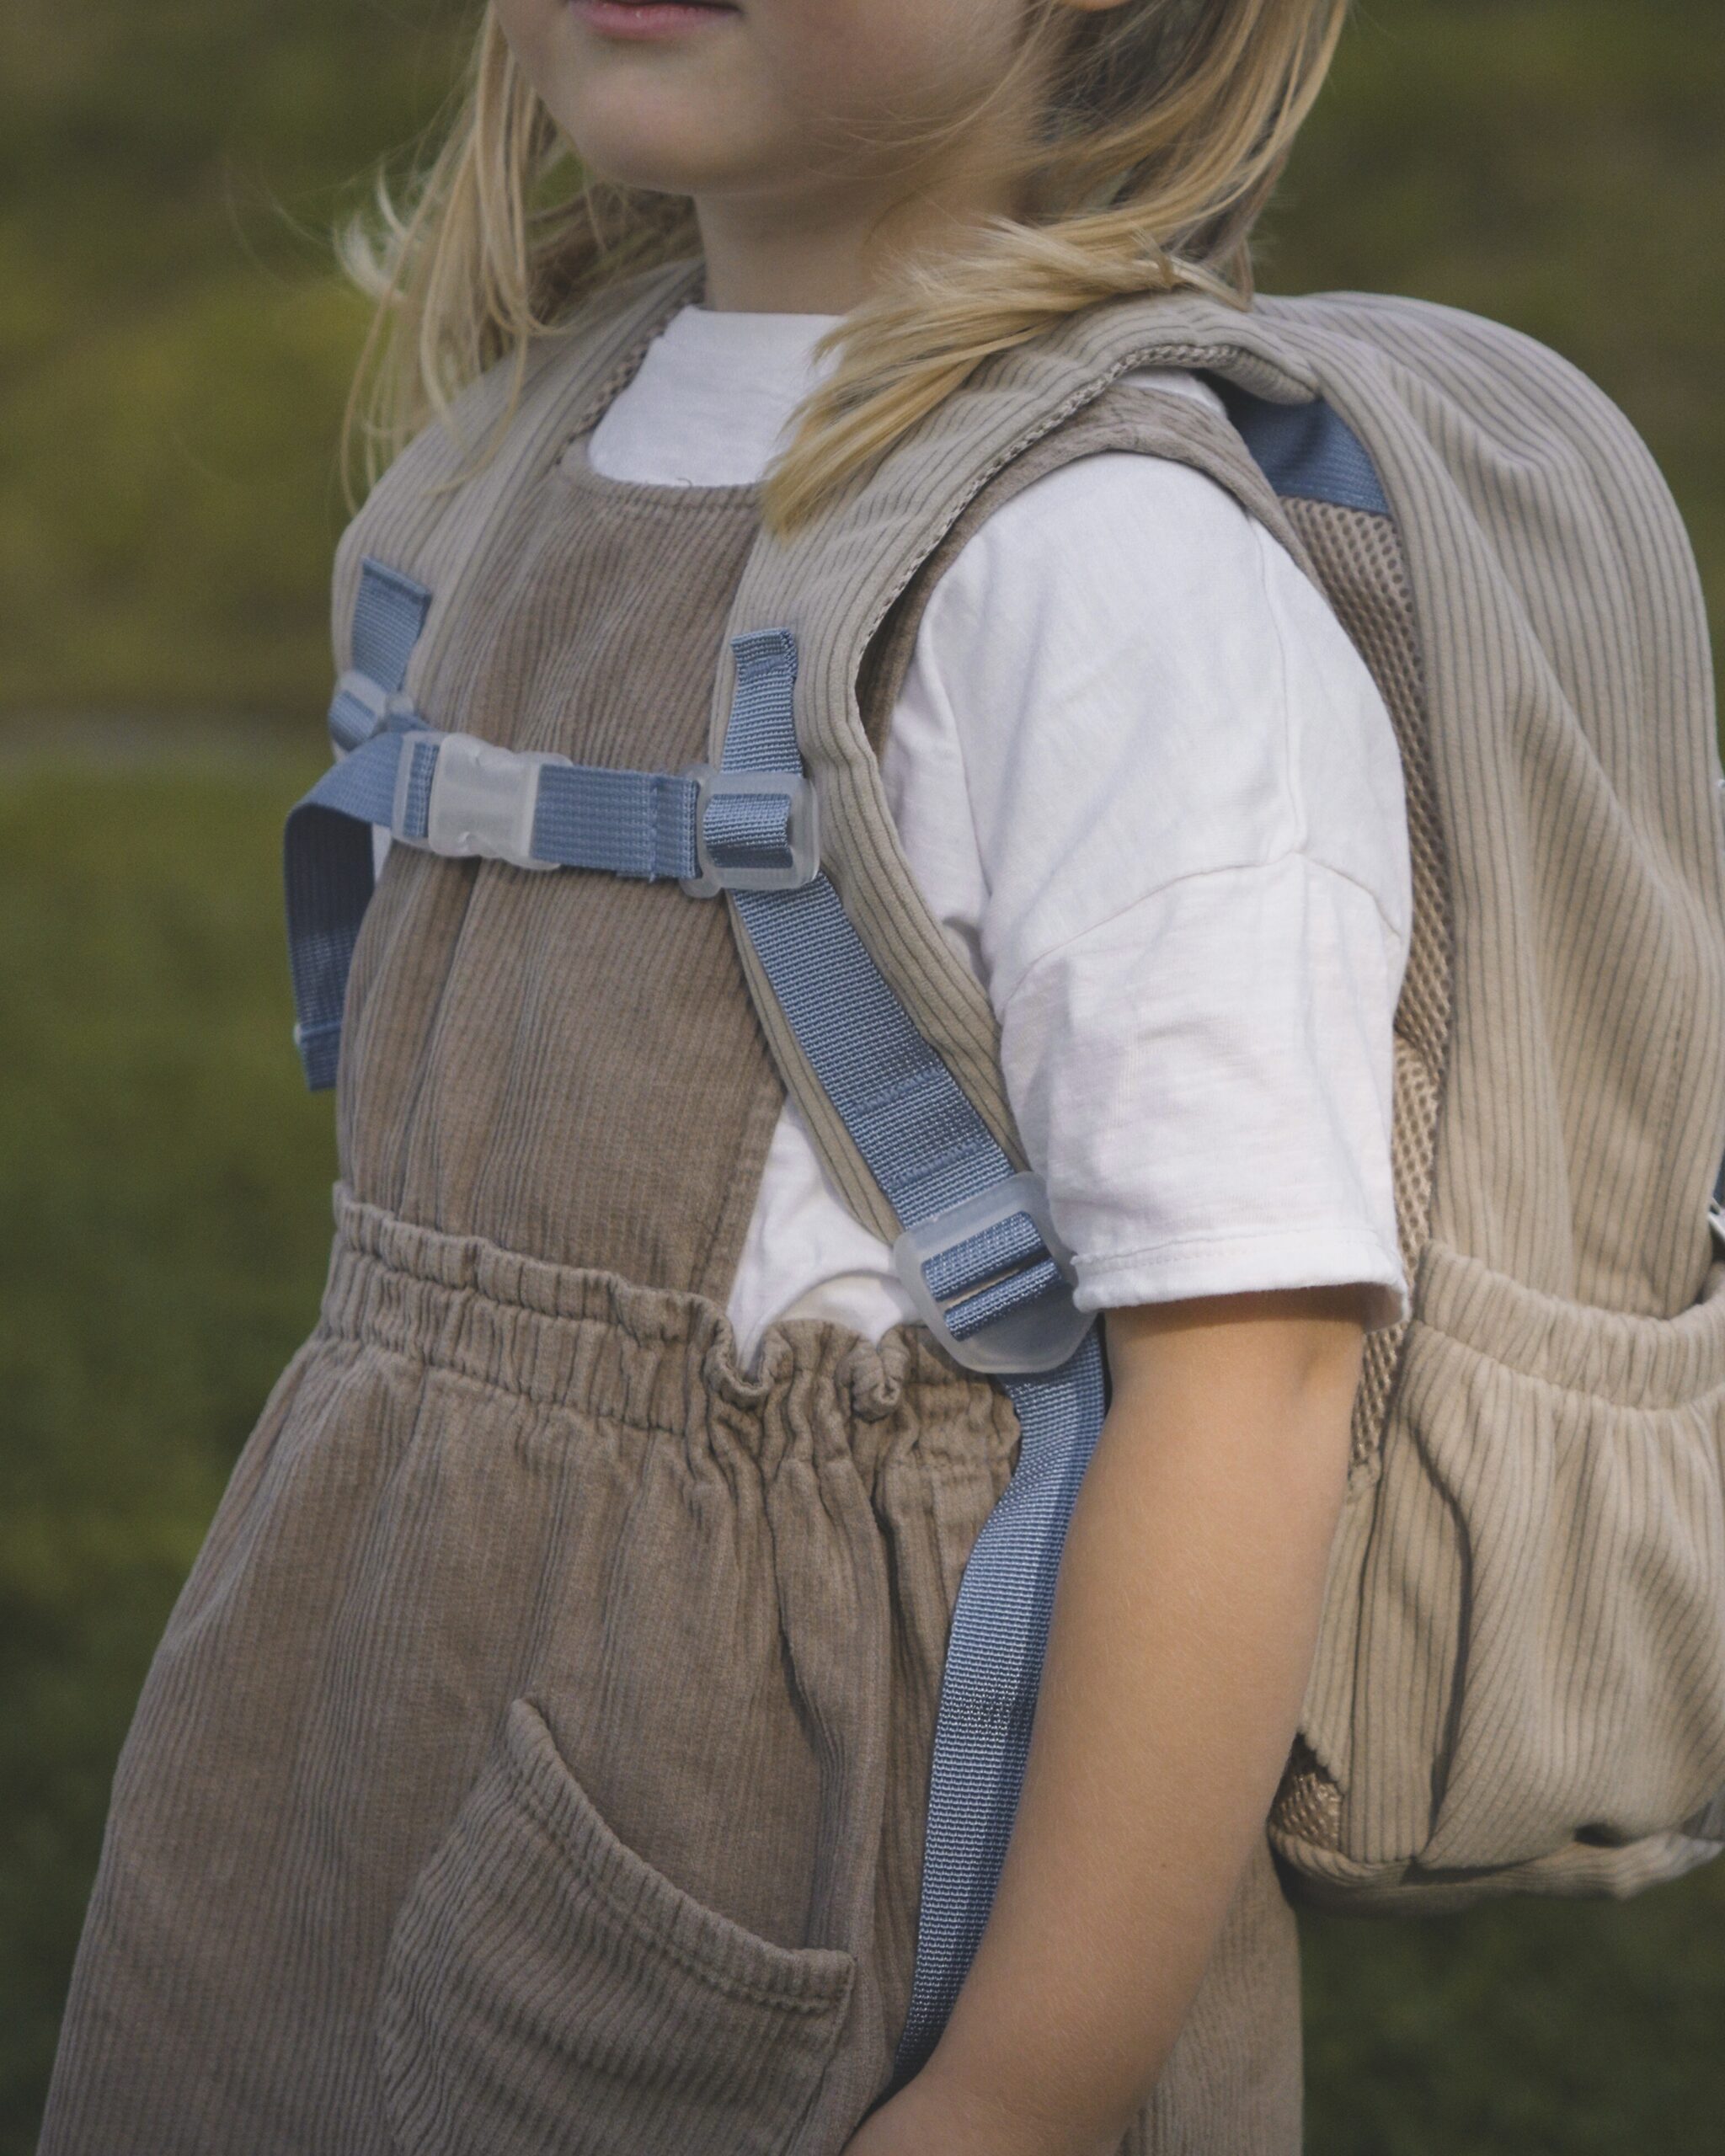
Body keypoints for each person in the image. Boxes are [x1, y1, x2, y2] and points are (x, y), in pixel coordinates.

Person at [40, 2, 1413, 2150]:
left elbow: (1253, 1380)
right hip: (342, 1665)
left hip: (771, 1800)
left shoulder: (1097, 568)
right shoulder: (512, 451)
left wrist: (1018, 2094)